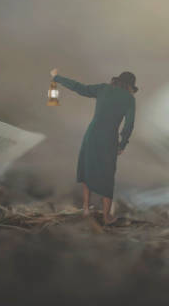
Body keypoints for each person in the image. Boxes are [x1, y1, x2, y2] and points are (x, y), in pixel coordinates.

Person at [50, 68, 137, 225]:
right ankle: (106, 216)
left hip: (92, 134)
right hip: (109, 138)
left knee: (87, 167)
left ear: (117, 80)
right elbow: (129, 125)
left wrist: (57, 78)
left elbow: (79, 87)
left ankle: (85, 209)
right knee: (107, 174)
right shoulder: (129, 99)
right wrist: (123, 144)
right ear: (131, 86)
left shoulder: (103, 88)